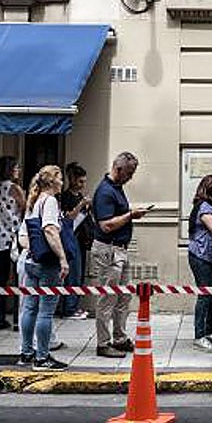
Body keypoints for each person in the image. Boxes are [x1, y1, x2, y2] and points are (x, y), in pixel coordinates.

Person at [92, 151, 150, 358]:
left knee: (123, 296)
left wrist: (131, 214)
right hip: (109, 249)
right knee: (108, 297)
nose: (131, 177)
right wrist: (131, 215)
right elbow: (106, 225)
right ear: (118, 169)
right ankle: (103, 343)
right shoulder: (105, 191)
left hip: (120, 249)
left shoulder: (116, 188)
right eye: (129, 172)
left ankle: (119, 337)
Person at [18, 165, 70, 370]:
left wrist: (35, 249)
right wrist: (63, 259)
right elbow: (50, 230)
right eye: (60, 178)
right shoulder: (50, 201)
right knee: (46, 311)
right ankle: (42, 357)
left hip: (31, 262)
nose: (63, 182)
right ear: (53, 181)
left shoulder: (34, 201)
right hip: (47, 264)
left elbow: (23, 236)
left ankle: (26, 352)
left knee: (30, 307)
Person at [0, 157, 24, 331]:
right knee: (17, 278)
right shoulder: (14, 188)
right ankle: (17, 319)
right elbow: (24, 207)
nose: (18, 170)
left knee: (0, 276)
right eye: (15, 168)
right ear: (9, 170)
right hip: (14, 238)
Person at [187, 174, 212, 352]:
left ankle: (208, 331)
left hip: (211, 257)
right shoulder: (205, 207)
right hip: (201, 257)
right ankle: (199, 335)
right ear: (209, 189)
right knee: (205, 295)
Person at [57, 162, 92, 321]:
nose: (83, 185)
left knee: (79, 274)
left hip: (82, 239)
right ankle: (69, 308)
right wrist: (81, 205)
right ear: (72, 179)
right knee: (72, 273)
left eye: (84, 181)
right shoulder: (66, 197)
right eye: (80, 181)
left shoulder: (80, 196)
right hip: (70, 238)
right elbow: (68, 217)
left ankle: (74, 306)